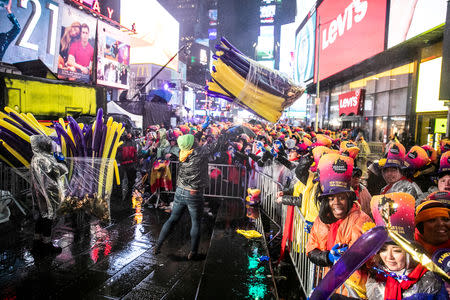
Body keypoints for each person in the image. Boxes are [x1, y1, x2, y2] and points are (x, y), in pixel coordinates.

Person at [154, 118, 232, 259]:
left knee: (172, 219)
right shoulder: (200, 152)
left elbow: (191, 140)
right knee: (195, 222)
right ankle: (193, 253)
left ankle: (158, 246)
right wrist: (226, 132)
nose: (196, 140)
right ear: (193, 144)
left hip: (180, 191)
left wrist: (202, 128)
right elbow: (217, 144)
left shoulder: (180, 151)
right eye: (194, 140)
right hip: (193, 193)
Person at [306, 153, 372, 299]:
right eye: (331, 198)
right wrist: (328, 257)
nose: (336, 202)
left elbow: (370, 259)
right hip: (330, 288)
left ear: (348, 198)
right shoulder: (322, 220)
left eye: (341, 197)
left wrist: (349, 257)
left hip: (354, 292)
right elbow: (311, 251)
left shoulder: (362, 221)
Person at [30, 135, 68, 255]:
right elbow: (58, 171)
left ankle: (37, 242)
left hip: (39, 192)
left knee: (41, 216)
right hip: (48, 192)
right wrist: (62, 162)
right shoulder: (45, 159)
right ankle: (46, 245)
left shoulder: (36, 157)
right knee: (48, 217)